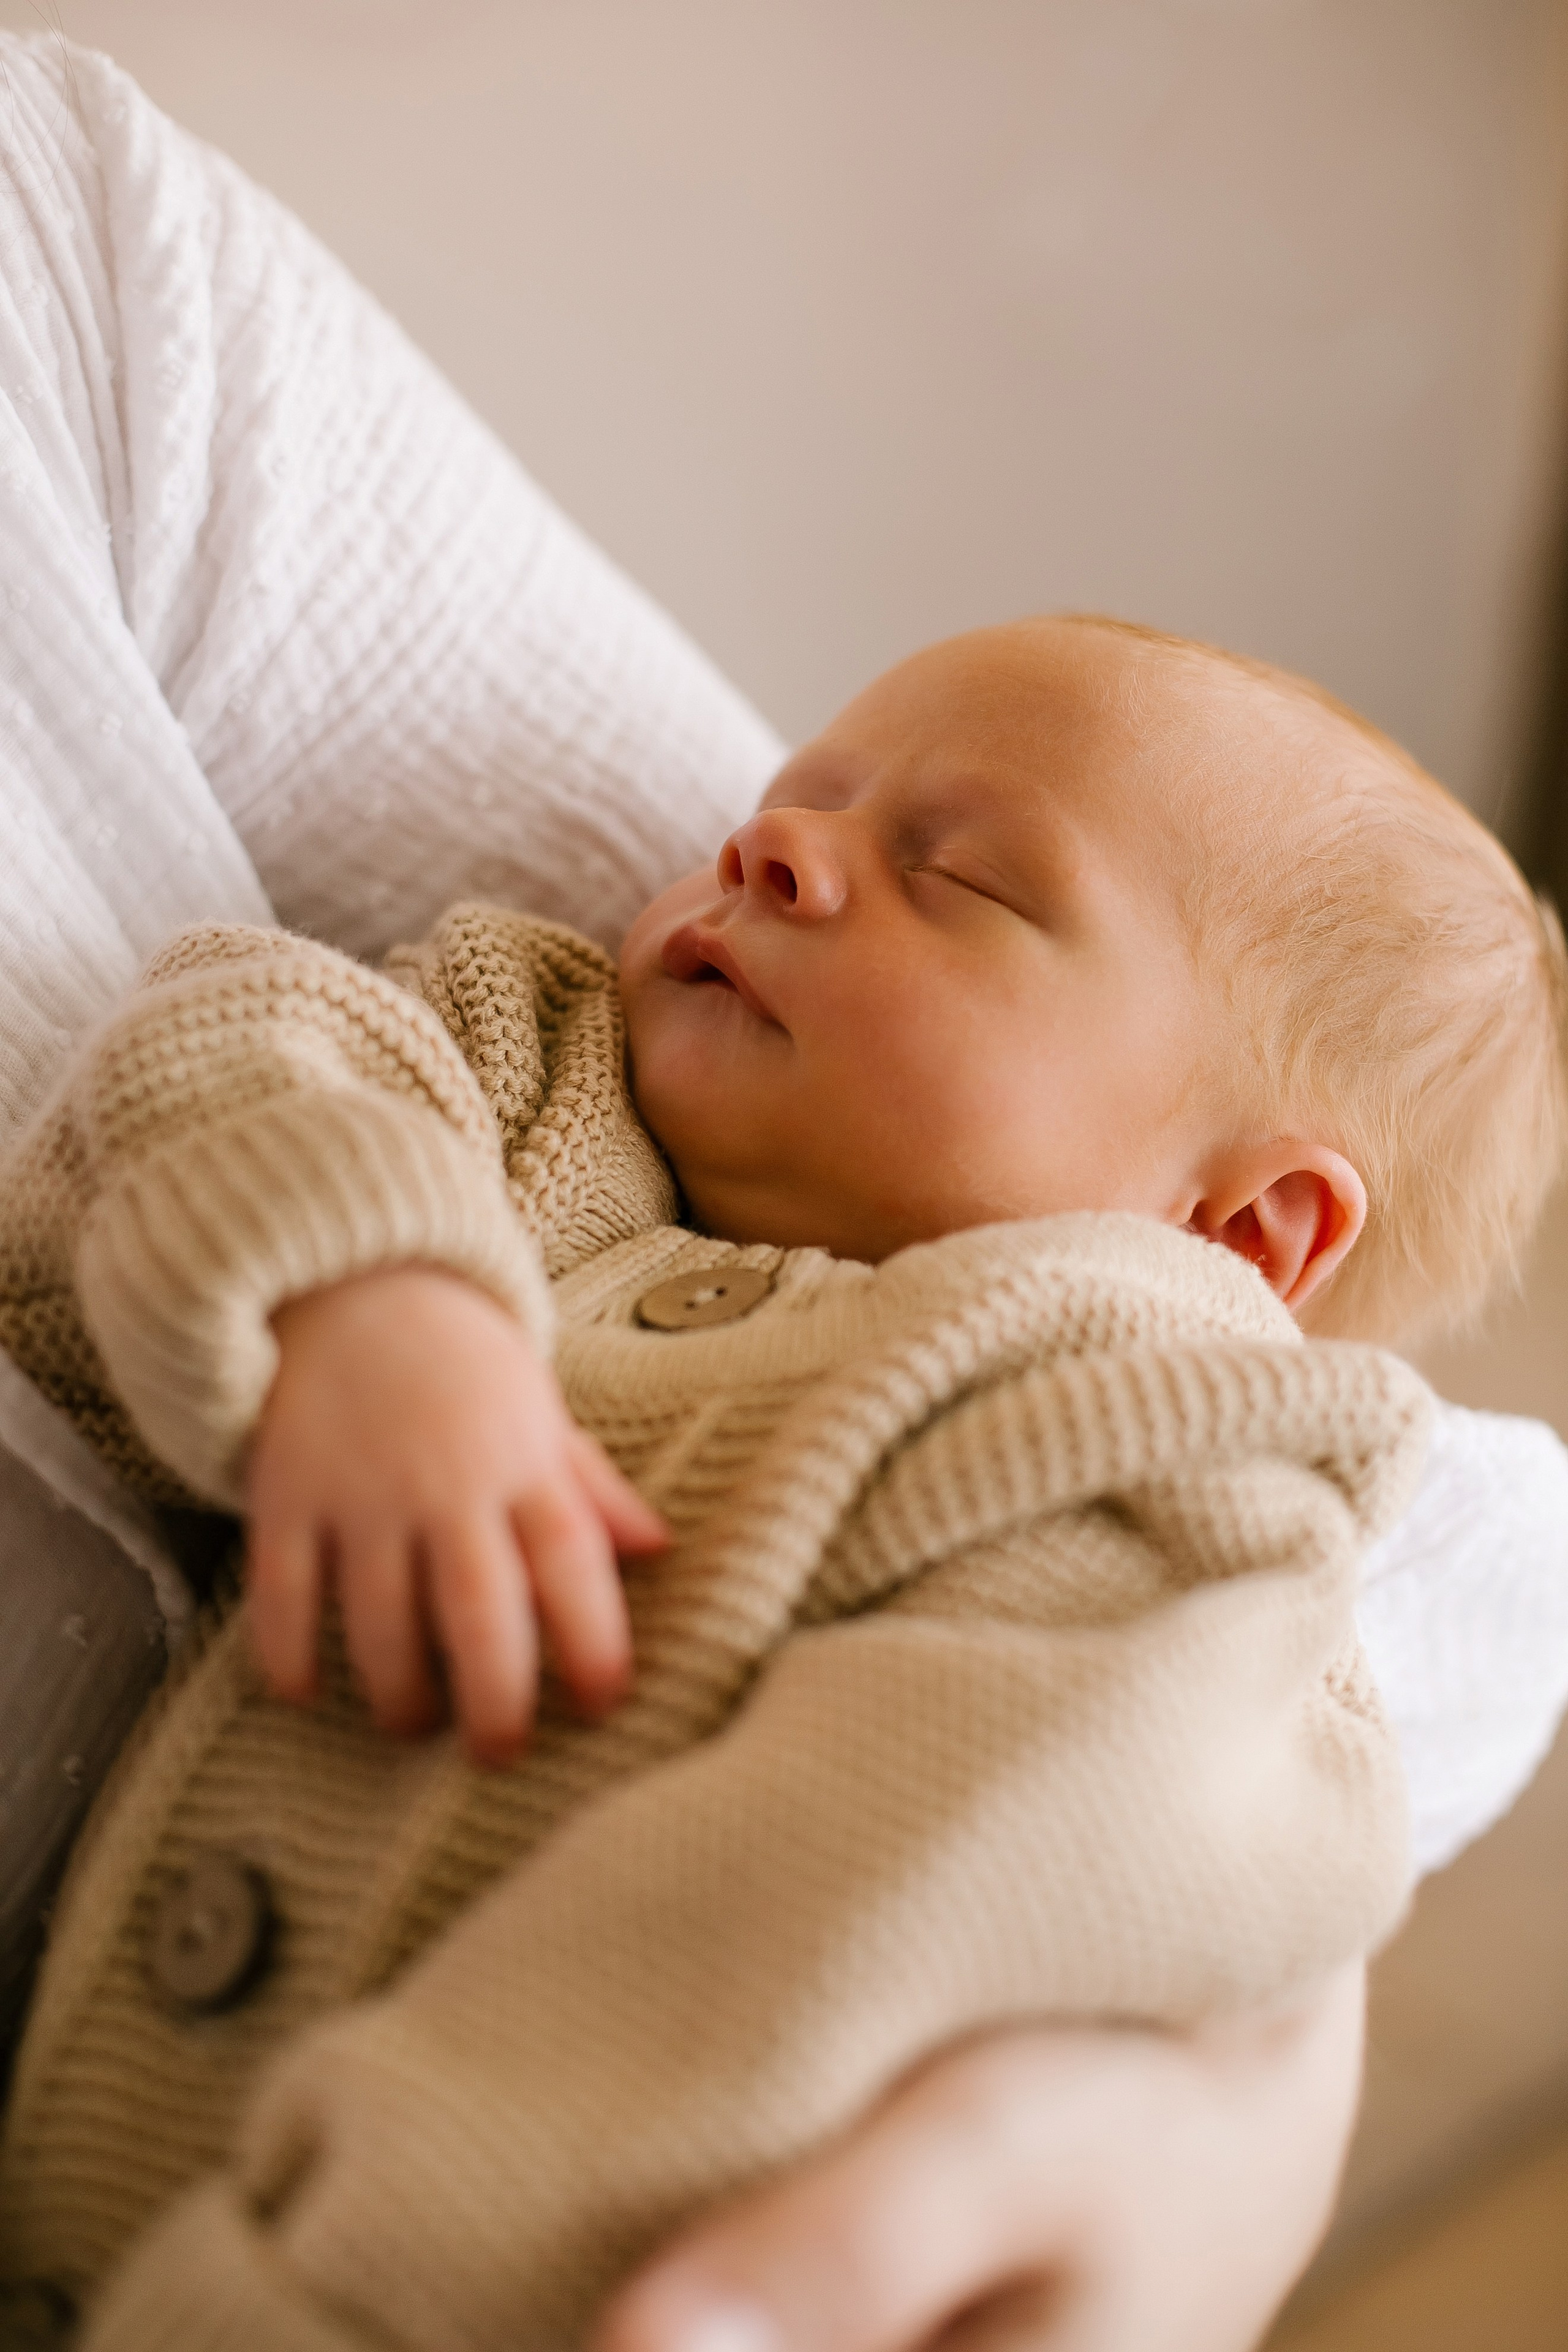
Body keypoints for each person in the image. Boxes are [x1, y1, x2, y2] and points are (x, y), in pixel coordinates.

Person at [2, 29, 1567, 2352]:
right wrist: (372, 1290)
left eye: (955, 874)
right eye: (805, 786)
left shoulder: (1149, 1483)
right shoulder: (546, 1086)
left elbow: (880, 1919)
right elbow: (239, 1036)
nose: (767, 835)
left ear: (1245, 1239)